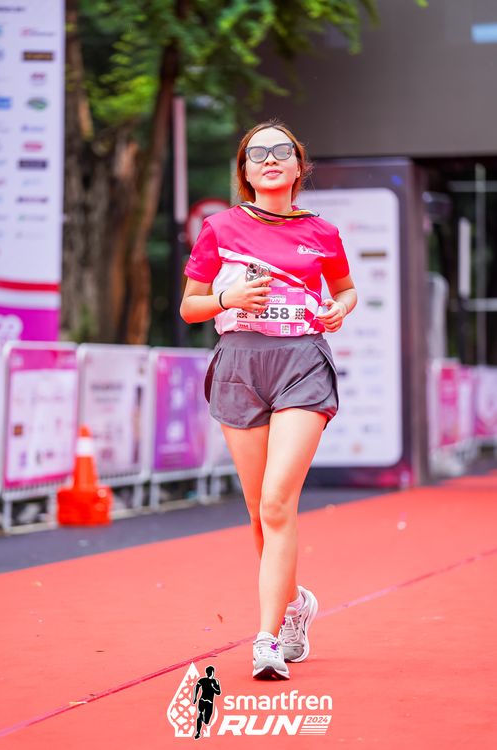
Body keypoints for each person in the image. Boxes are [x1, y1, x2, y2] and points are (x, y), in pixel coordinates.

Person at [180, 119, 357, 680]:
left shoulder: (321, 232)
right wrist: (228, 297)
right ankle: (295, 602)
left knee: (278, 503)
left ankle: (267, 639)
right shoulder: (219, 228)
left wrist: (340, 308)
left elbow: (345, 288)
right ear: (246, 171)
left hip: (301, 362)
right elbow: (189, 306)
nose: (271, 159)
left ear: (299, 166)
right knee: (259, 510)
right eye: (258, 154)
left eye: (282, 151)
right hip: (240, 366)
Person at [192, 665, 221, 739]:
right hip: (206, 701)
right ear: (212, 672)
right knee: (202, 717)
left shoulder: (207, 680)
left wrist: (195, 697)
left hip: (204, 701)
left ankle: (201, 721)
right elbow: (218, 692)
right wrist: (213, 687)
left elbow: (196, 687)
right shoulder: (211, 681)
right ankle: (198, 732)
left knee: (205, 720)